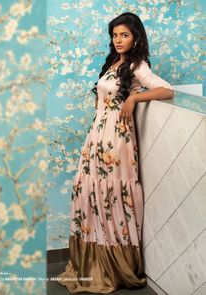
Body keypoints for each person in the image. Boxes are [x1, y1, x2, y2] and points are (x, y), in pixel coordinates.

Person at [57, 12, 174, 293]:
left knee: (111, 195)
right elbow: (101, 104)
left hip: (117, 140)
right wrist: (91, 139)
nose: (119, 40)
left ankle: (115, 265)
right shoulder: (113, 62)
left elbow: (166, 90)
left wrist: (134, 97)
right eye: (115, 35)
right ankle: (92, 262)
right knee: (89, 191)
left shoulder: (137, 65)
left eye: (124, 35)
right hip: (98, 135)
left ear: (136, 38)